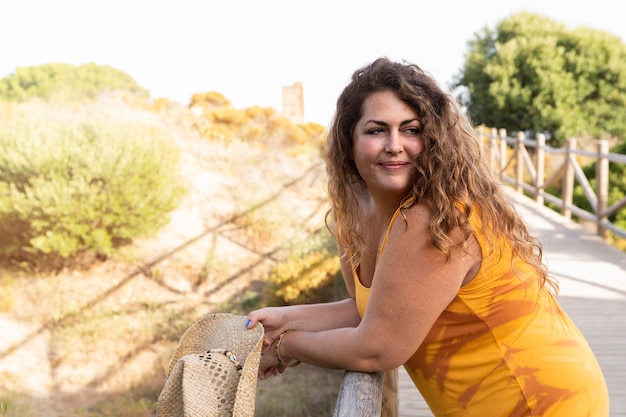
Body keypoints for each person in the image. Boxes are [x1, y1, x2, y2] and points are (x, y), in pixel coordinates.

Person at [245, 57, 609, 416]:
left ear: (432, 137)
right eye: (376, 130)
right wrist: (284, 319)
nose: (394, 144)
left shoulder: (435, 218)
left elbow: (377, 348)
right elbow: (374, 311)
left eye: (411, 129)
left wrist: (284, 347)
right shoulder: (354, 218)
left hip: (541, 401)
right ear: (349, 141)